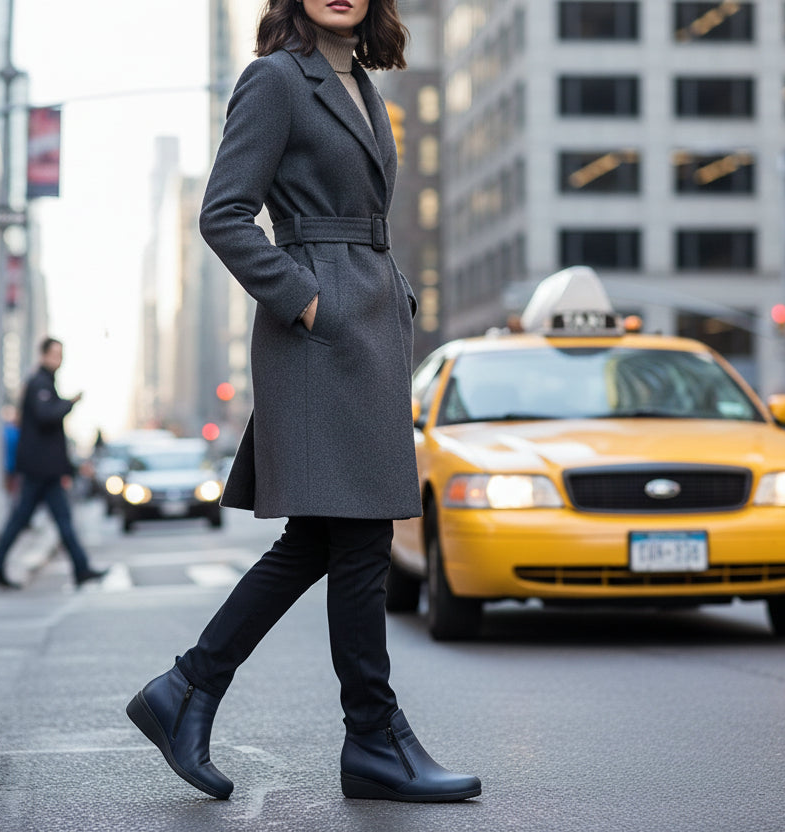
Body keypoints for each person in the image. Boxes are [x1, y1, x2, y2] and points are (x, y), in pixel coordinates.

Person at [124, 0, 480, 804]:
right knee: (355, 538)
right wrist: (308, 299)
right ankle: (373, 737)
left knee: (329, 538)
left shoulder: (360, 84)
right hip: (323, 338)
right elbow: (224, 213)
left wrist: (380, 299)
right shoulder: (277, 80)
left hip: (368, 331)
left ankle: (190, 689)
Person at [0, 337, 107, 590]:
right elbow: (46, 416)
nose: (58, 360)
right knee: (24, 520)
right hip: (39, 470)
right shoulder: (39, 383)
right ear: (43, 355)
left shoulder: (46, 384)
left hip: (47, 471)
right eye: (54, 355)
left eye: (61, 355)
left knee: (61, 521)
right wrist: (70, 403)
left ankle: (81, 568)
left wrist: (69, 467)